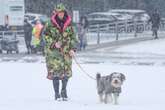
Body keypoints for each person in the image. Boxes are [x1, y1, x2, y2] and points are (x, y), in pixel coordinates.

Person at [44, 3, 77, 101]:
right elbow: (45, 36)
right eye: (59, 12)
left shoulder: (69, 23)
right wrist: (54, 43)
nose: (61, 14)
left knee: (66, 73)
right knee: (55, 73)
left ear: (64, 12)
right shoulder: (50, 23)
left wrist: (72, 49)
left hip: (66, 52)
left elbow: (73, 37)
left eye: (62, 12)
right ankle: (56, 93)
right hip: (54, 53)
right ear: (56, 13)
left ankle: (64, 91)